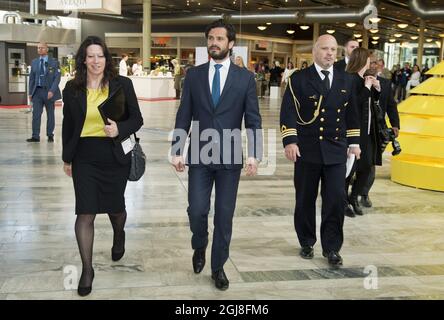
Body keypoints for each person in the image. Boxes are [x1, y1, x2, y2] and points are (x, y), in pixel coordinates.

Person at [171, 19, 262, 290]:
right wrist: (177, 150)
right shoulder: (194, 75)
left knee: (224, 214)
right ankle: (199, 244)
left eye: (220, 38)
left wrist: (254, 154)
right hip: (199, 155)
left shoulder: (245, 78)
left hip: (230, 157)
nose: (214, 42)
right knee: (197, 210)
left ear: (230, 44)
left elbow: (253, 119)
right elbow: (184, 114)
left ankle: (218, 265)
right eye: (211, 38)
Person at [61, 36, 143, 296]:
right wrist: (67, 157)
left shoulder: (122, 84)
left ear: (107, 59)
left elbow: (137, 119)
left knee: (116, 209)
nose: (96, 61)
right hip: (84, 155)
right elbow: (68, 126)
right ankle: (87, 268)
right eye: (90, 56)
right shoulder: (72, 89)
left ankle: (119, 234)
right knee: (85, 213)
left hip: (114, 153)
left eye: (100, 56)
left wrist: (120, 128)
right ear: (83, 59)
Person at [280, 34, 360, 267]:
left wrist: (354, 144)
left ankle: (332, 247)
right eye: (325, 49)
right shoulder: (299, 79)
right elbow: (288, 112)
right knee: (305, 198)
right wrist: (290, 141)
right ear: (314, 51)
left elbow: (352, 113)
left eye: (333, 49)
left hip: (336, 150)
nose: (329, 53)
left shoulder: (347, 79)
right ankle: (306, 241)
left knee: (335, 200)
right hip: (307, 149)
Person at [344, 48, 383, 217]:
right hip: (353, 132)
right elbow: (355, 103)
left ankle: (354, 197)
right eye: (368, 59)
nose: (370, 62)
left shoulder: (365, 79)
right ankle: (343, 200)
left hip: (367, 132)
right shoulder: (350, 80)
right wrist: (367, 87)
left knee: (366, 167)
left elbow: (371, 105)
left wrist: (376, 88)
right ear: (361, 60)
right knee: (349, 169)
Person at [358, 58, 400, 209]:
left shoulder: (386, 83)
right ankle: (350, 192)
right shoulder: (357, 80)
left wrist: (395, 124)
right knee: (354, 162)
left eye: (377, 64)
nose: (374, 66)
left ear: (381, 67)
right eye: (372, 63)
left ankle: (364, 193)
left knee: (370, 162)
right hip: (359, 128)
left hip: (377, 129)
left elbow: (391, 105)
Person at [26, 42, 61, 142]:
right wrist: (30, 93)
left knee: (50, 114)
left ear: (47, 49)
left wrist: (52, 91)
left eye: (42, 48)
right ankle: (35, 136)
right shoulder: (34, 62)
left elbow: (57, 78)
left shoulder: (54, 62)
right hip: (37, 92)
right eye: (38, 48)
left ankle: (50, 134)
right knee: (36, 115)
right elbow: (31, 79)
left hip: (49, 92)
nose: (39, 50)